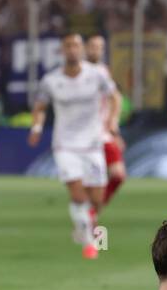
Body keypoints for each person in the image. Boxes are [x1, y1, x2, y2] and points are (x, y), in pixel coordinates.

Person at [29, 33, 120, 259]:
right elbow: (39, 107)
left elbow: (115, 97)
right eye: (68, 45)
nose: (72, 49)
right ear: (63, 50)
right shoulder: (51, 80)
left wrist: (112, 121)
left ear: (81, 50)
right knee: (79, 196)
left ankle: (81, 226)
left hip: (92, 145)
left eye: (76, 45)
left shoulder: (96, 75)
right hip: (65, 146)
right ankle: (89, 242)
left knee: (97, 199)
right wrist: (37, 129)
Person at [84, 35, 127, 208]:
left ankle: (93, 209)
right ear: (86, 48)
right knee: (92, 178)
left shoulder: (104, 71)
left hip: (103, 133)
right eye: (93, 46)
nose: (96, 50)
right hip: (84, 134)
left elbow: (114, 99)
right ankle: (88, 212)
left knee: (118, 175)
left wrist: (113, 127)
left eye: (100, 47)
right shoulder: (79, 71)